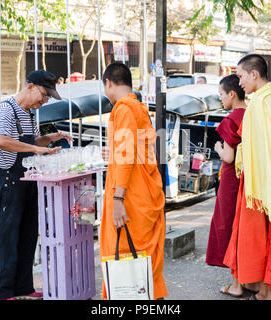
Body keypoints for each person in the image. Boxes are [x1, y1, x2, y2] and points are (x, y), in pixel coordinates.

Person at [0, 70, 73, 300]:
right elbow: (0, 140)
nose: (44, 102)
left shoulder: (29, 114)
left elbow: (33, 141)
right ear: (30, 86)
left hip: (26, 178)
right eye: (44, 95)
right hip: (6, 179)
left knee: (26, 234)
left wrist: (53, 137)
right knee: (4, 236)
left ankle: (23, 287)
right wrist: (36, 149)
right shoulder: (6, 108)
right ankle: (1, 292)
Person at [223, 54, 271, 300]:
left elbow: (252, 148)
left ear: (254, 74)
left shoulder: (258, 105)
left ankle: (263, 289)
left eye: (241, 76)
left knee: (255, 235)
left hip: (258, 176)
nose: (240, 83)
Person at [99, 62, 167, 300]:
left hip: (130, 197)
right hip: (142, 191)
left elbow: (126, 154)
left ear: (108, 82)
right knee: (142, 260)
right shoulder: (138, 107)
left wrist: (118, 197)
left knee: (127, 256)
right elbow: (138, 151)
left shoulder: (124, 109)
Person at [205, 74, 246, 297]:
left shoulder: (230, 120)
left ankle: (237, 283)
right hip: (250, 178)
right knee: (244, 228)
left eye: (221, 94)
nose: (220, 99)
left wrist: (219, 149)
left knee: (228, 226)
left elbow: (229, 157)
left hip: (231, 179)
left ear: (232, 94)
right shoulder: (252, 115)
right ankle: (248, 279)